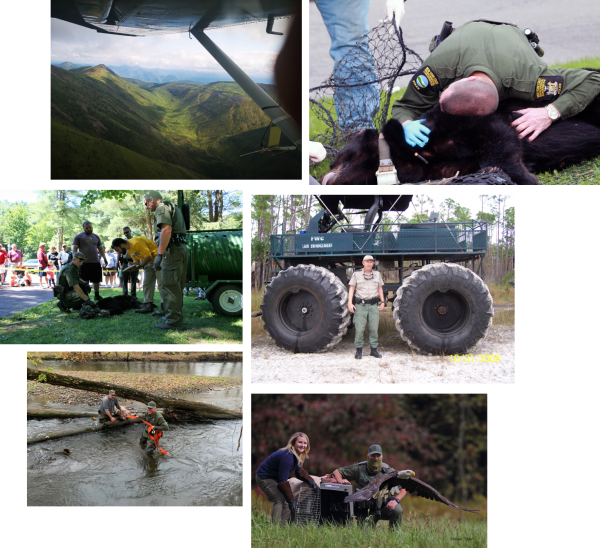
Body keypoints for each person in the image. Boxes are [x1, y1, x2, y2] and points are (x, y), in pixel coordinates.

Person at [392, 20, 600, 146]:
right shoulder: (438, 67)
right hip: (467, 35)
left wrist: (550, 112)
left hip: (511, 37)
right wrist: (406, 123)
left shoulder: (530, 80)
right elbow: (405, 106)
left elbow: (594, 79)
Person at [331, 444, 406, 529]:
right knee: (365, 538)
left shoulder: (389, 471)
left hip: (383, 507)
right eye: (373, 456)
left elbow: (403, 487)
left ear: (382, 456)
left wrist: (396, 500)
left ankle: (394, 536)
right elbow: (337, 472)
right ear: (368, 456)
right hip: (365, 511)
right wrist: (341, 481)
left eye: (378, 456)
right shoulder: (359, 469)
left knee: (397, 510)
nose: (376, 458)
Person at [144, 191, 188, 330]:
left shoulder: (162, 208)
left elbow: (166, 230)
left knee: (169, 286)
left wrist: (160, 255)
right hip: (179, 248)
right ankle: (173, 316)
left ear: (151, 200)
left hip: (171, 251)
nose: (146, 207)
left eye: (146, 203)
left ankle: (173, 321)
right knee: (176, 286)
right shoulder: (173, 206)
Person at [255, 432, 319, 524]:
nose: (303, 445)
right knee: (279, 500)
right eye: (300, 442)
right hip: (264, 477)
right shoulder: (287, 456)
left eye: (305, 443)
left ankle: (283, 527)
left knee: (286, 501)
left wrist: (311, 481)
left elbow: (299, 471)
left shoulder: (297, 455)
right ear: (293, 443)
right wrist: (292, 500)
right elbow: (283, 481)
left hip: (274, 478)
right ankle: (275, 529)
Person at [111, 235, 162, 315]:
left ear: (122, 245)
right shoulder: (128, 249)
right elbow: (137, 261)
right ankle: (148, 305)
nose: (119, 253)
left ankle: (165, 306)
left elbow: (148, 256)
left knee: (162, 284)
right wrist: (132, 264)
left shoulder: (136, 242)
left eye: (118, 250)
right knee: (146, 284)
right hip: (148, 263)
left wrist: (140, 266)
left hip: (158, 260)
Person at [348, 255, 384, 359]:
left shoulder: (377, 275)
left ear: (373, 263)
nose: (369, 263)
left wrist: (382, 302)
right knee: (359, 329)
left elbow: (380, 288)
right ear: (363, 263)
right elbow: (351, 289)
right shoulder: (357, 274)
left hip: (373, 306)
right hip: (360, 306)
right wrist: (350, 303)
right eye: (367, 261)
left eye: (371, 262)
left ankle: (374, 350)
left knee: (374, 329)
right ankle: (359, 350)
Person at [72, 221, 110, 301]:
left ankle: (97, 295)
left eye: (90, 227)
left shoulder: (96, 236)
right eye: (87, 228)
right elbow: (74, 248)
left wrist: (104, 258)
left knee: (96, 279)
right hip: (84, 263)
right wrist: (75, 259)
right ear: (83, 228)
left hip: (95, 262)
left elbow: (100, 248)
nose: (89, 229)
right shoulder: (79, 236)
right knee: (84, 280)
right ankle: (85, 296)